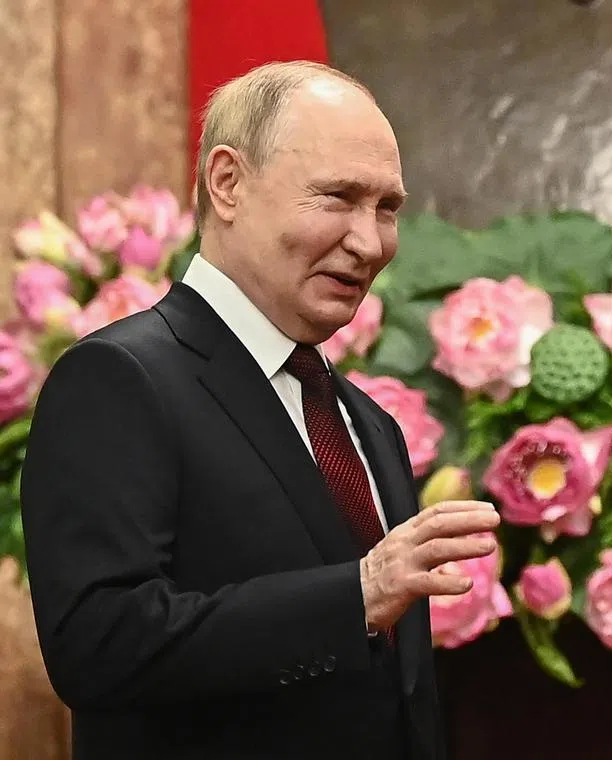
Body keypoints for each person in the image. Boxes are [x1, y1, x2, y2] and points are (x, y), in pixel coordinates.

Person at [20, 61, 501, 760]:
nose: (370, 242)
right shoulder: (119, 379)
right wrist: (356, 594)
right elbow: (100, 644)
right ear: (227, 182)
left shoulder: (369, 422)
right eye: (337, 197)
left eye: (387, 208)